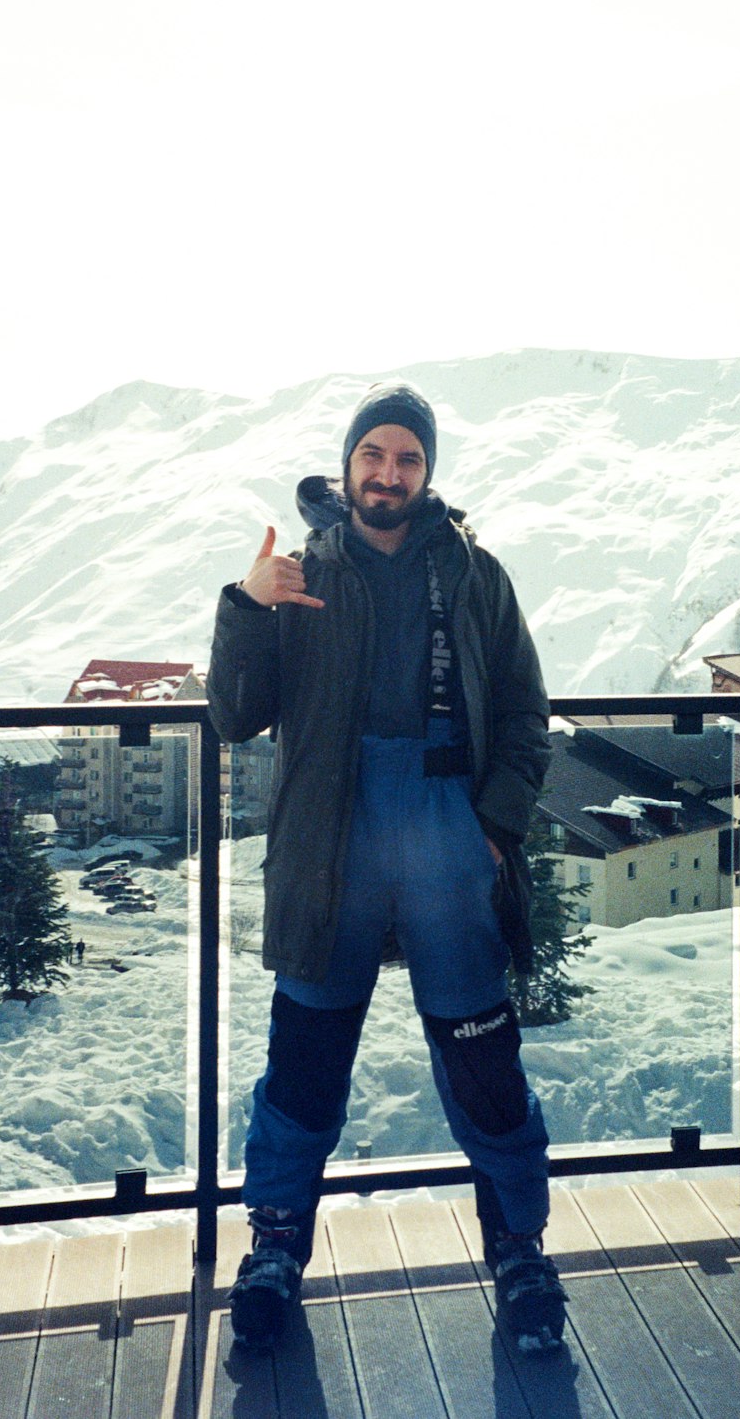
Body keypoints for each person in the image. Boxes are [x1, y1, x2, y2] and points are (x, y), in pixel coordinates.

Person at [206, 382, 565, 1355]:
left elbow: (528, 716)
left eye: (407, 459)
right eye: (374, 455)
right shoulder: (300, 575)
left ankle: (521, 1250)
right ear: (348, 463)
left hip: (448, 829)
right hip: (331, 842)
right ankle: (275, 1250)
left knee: (482, 1057)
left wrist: (491, 827)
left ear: (427, 473)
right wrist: (244, 606)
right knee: (306, 1060)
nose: (388, 473)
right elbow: (234, 715)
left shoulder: (477, 575)